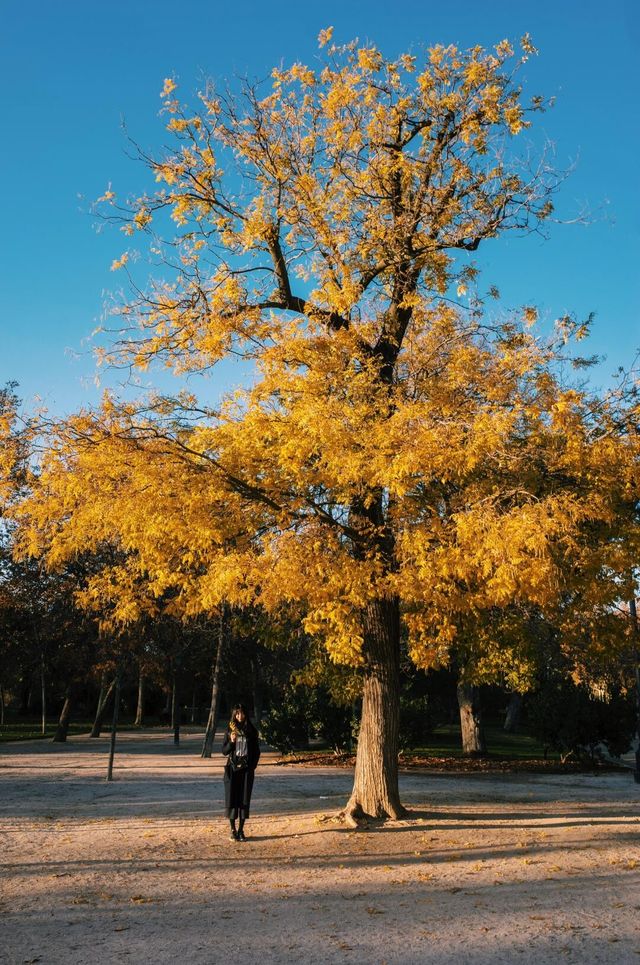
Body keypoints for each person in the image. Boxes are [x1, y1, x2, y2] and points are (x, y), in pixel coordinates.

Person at [222, 703, 260, 841]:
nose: (240, 716)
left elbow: (256, 752)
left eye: (242, 713)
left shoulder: (252, 731)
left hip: (246, 771)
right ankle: (232, 830)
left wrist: (252, 767)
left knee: (244, 801)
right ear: (234, 715)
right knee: (232, 800)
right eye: (237, 713)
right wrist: (231, 742)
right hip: (232, 770)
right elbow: (224, 751)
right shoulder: (229, 730)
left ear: (246, 714)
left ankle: (241, 830)